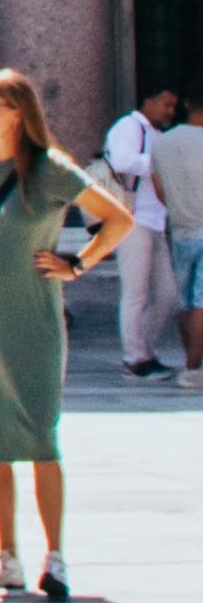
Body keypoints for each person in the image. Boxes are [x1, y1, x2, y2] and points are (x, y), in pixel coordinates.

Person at [0, 67, 128, 601]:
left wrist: (77, 264)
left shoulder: (49, 169)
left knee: (39, 433)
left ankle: (55, 557)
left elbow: (117, 220)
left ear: (19, 112)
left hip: (33, 316)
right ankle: (6, 555)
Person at [98, 81, 181, 375]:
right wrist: (161, 161)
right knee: (136, 292)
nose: (170, 112)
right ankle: (135, 357)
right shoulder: (128, 127)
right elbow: (122, 161)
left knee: (167, 292)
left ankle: (145, 350)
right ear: (149, 101)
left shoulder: (157, 134)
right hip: (131, 220)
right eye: (166, 105)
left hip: (155, 221)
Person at [149, 94, 203, 393]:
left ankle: (191, 362)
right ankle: (194, 370)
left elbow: (159, 190)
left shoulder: (162, 142)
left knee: (186, 302)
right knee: (202, 302)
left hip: (180, 229)